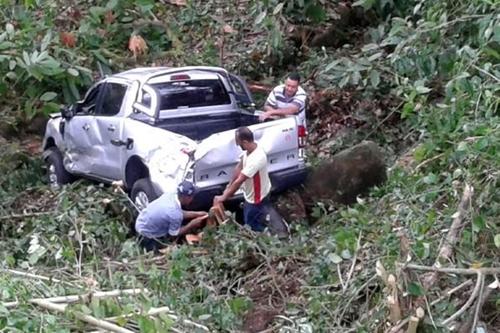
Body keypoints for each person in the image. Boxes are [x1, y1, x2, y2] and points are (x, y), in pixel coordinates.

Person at [213, 127, 272, 231]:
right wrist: (229, 185)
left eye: (239, 144)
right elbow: (239, 167)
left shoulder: (257, 158)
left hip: (256, 199)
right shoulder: (249, 150)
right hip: (251, 195)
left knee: (252, 225)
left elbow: (240, 180)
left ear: (245, 142)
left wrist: (224, 197)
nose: (239, 147)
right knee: (250, 219)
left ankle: (259, 239)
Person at [135, 180, 208, 252]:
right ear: (185, 197)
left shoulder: (172, 195)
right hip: (145, 233)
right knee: (160, 252)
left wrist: (197, 214)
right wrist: (192, 224)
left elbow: (178, 213)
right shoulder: (174, 212)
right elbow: (173, 234)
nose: (192, 199)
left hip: (143, 220)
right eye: (191, 197)